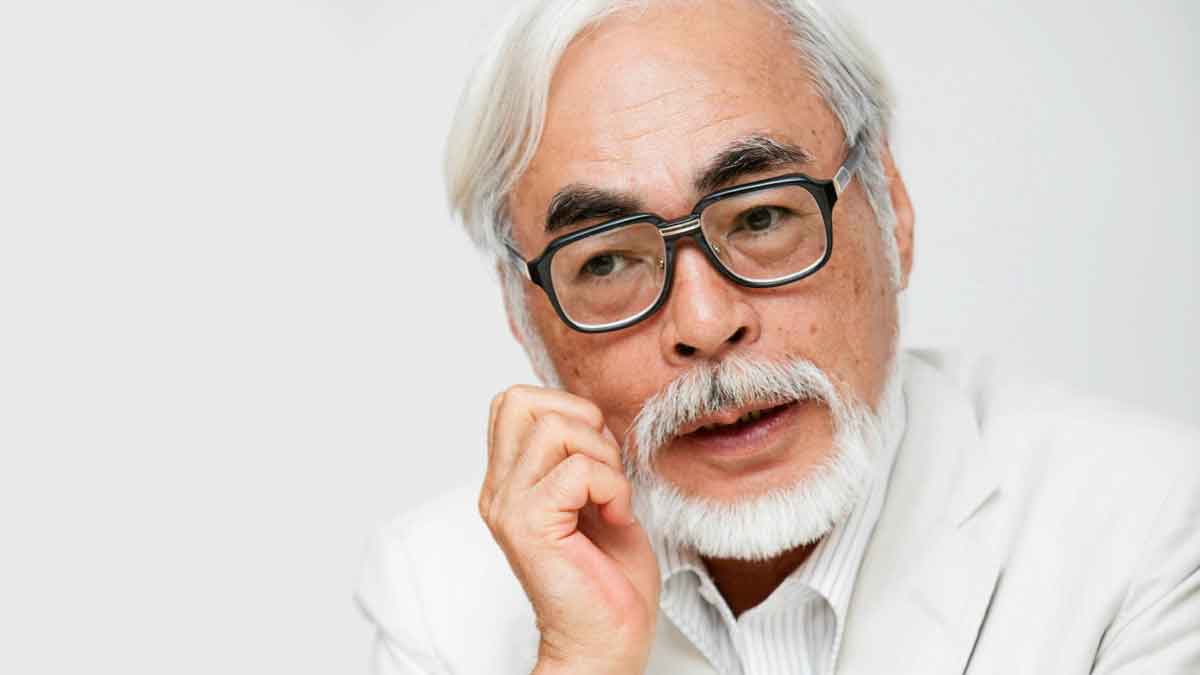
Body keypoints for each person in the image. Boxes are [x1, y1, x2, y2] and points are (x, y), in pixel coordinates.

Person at [355, 0, 1200, 672]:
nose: (704, 323)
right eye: (607, 261)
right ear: (519, 309)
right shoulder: (439, 593)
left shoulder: (1149, 526)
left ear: (893, 211)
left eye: (761, 216)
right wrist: (581, 661)